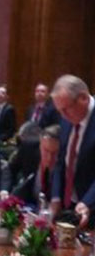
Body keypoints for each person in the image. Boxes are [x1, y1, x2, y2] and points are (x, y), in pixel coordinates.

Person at [51, 75, 95, 228]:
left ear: (83, 98)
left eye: (66, 109)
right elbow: (60, 162)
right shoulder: (67, 119)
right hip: (70, 207)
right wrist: (56, 197)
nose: (63, 116)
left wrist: (87, 203)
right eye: (59, 111)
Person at [8, 124, 53, 206]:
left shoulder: (66, 162)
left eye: (54, 153)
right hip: (27, 202)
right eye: (46, 151)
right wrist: (5, 190)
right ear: (40, 145)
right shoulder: (29, 148)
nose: (50, 157)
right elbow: (9, 169)